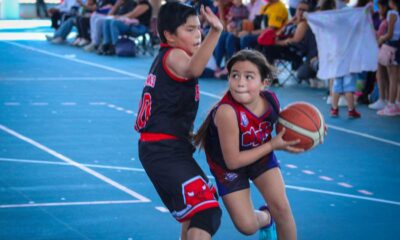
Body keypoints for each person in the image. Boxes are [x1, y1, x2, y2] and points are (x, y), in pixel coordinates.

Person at [134, 2, 223, 240]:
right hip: (163, 150)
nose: (197, 35)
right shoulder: (175, 55)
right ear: (169, 35)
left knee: (195, 212)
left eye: (199, 29)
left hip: (169, 149)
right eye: (190, 30)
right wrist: (215, 32)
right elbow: (194, 69)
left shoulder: (168, 55)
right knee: (208, 213)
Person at [194, 49, 302, 240]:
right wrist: (271, 146)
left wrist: (311, 130)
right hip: (229, 167)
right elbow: (233, 161)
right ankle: (266, 218)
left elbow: (289, 124)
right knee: (247, 226)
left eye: (249, 76)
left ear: (264, 83)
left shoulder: (270, 102)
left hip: (260, 156)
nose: (240, 82)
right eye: (234, 75)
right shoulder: (227, 112)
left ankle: (274, 215)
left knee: (283, 210)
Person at [376, 0, 400, 116]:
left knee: (392, 78)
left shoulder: (392, 14)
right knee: (396, 78)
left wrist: (382, 38)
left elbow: (390, 33)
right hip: (398, 45)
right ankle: (397, 103)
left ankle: (391, 105)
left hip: (392, 46)